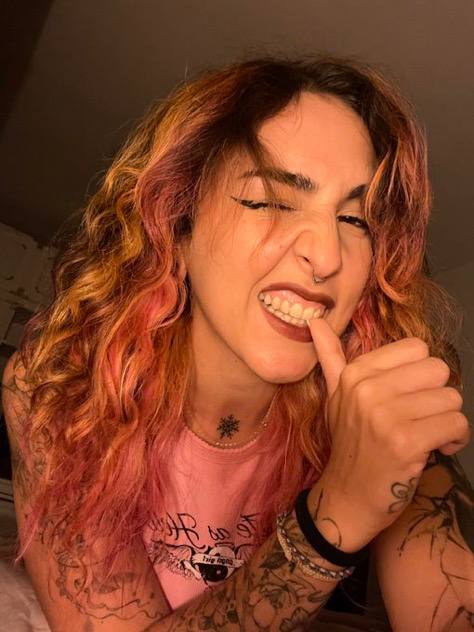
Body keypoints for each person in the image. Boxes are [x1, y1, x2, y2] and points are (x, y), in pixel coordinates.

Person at [2, 54, 473, 632]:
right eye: (270, 201)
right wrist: (336, 515)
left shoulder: (374, 397)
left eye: (356, 221)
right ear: (178, 221)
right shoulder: (58, 384)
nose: (327, 256)